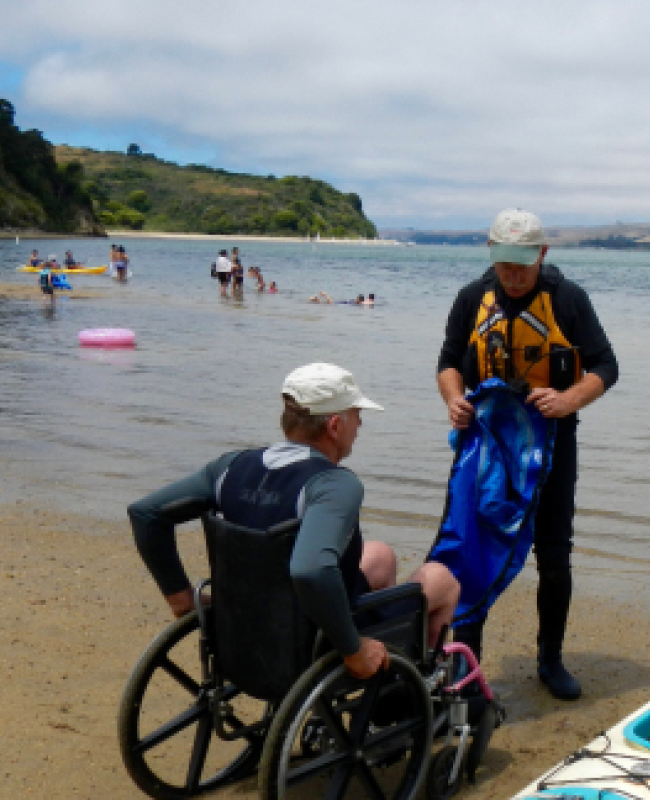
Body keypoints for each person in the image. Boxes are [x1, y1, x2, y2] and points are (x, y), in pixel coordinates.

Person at [127, 363, 461, 679]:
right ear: (334, 425)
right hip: (312, 640)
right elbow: (310, 569)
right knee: (441, 579)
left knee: (380, 555)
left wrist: (182, 599)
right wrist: (353, 647)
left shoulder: (232, 467)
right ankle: (412, 681)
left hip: (247, 625)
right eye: (357, 416)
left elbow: (146, 513)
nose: (360, 426)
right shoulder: (333, 484)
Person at [435, 208, 619, 700]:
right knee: (469, 545)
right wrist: (453, 399)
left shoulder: (568, 300)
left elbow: (606, 365)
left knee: (554, 554)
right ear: (492, 254)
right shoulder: (473, 298)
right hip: (487, 443)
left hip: (552, 443)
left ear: (542, 253)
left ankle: (550, 658)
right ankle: (464, 661)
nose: (513, 276)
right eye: (504, 265)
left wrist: (568, 399)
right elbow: (450, 362)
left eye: (522, 264)